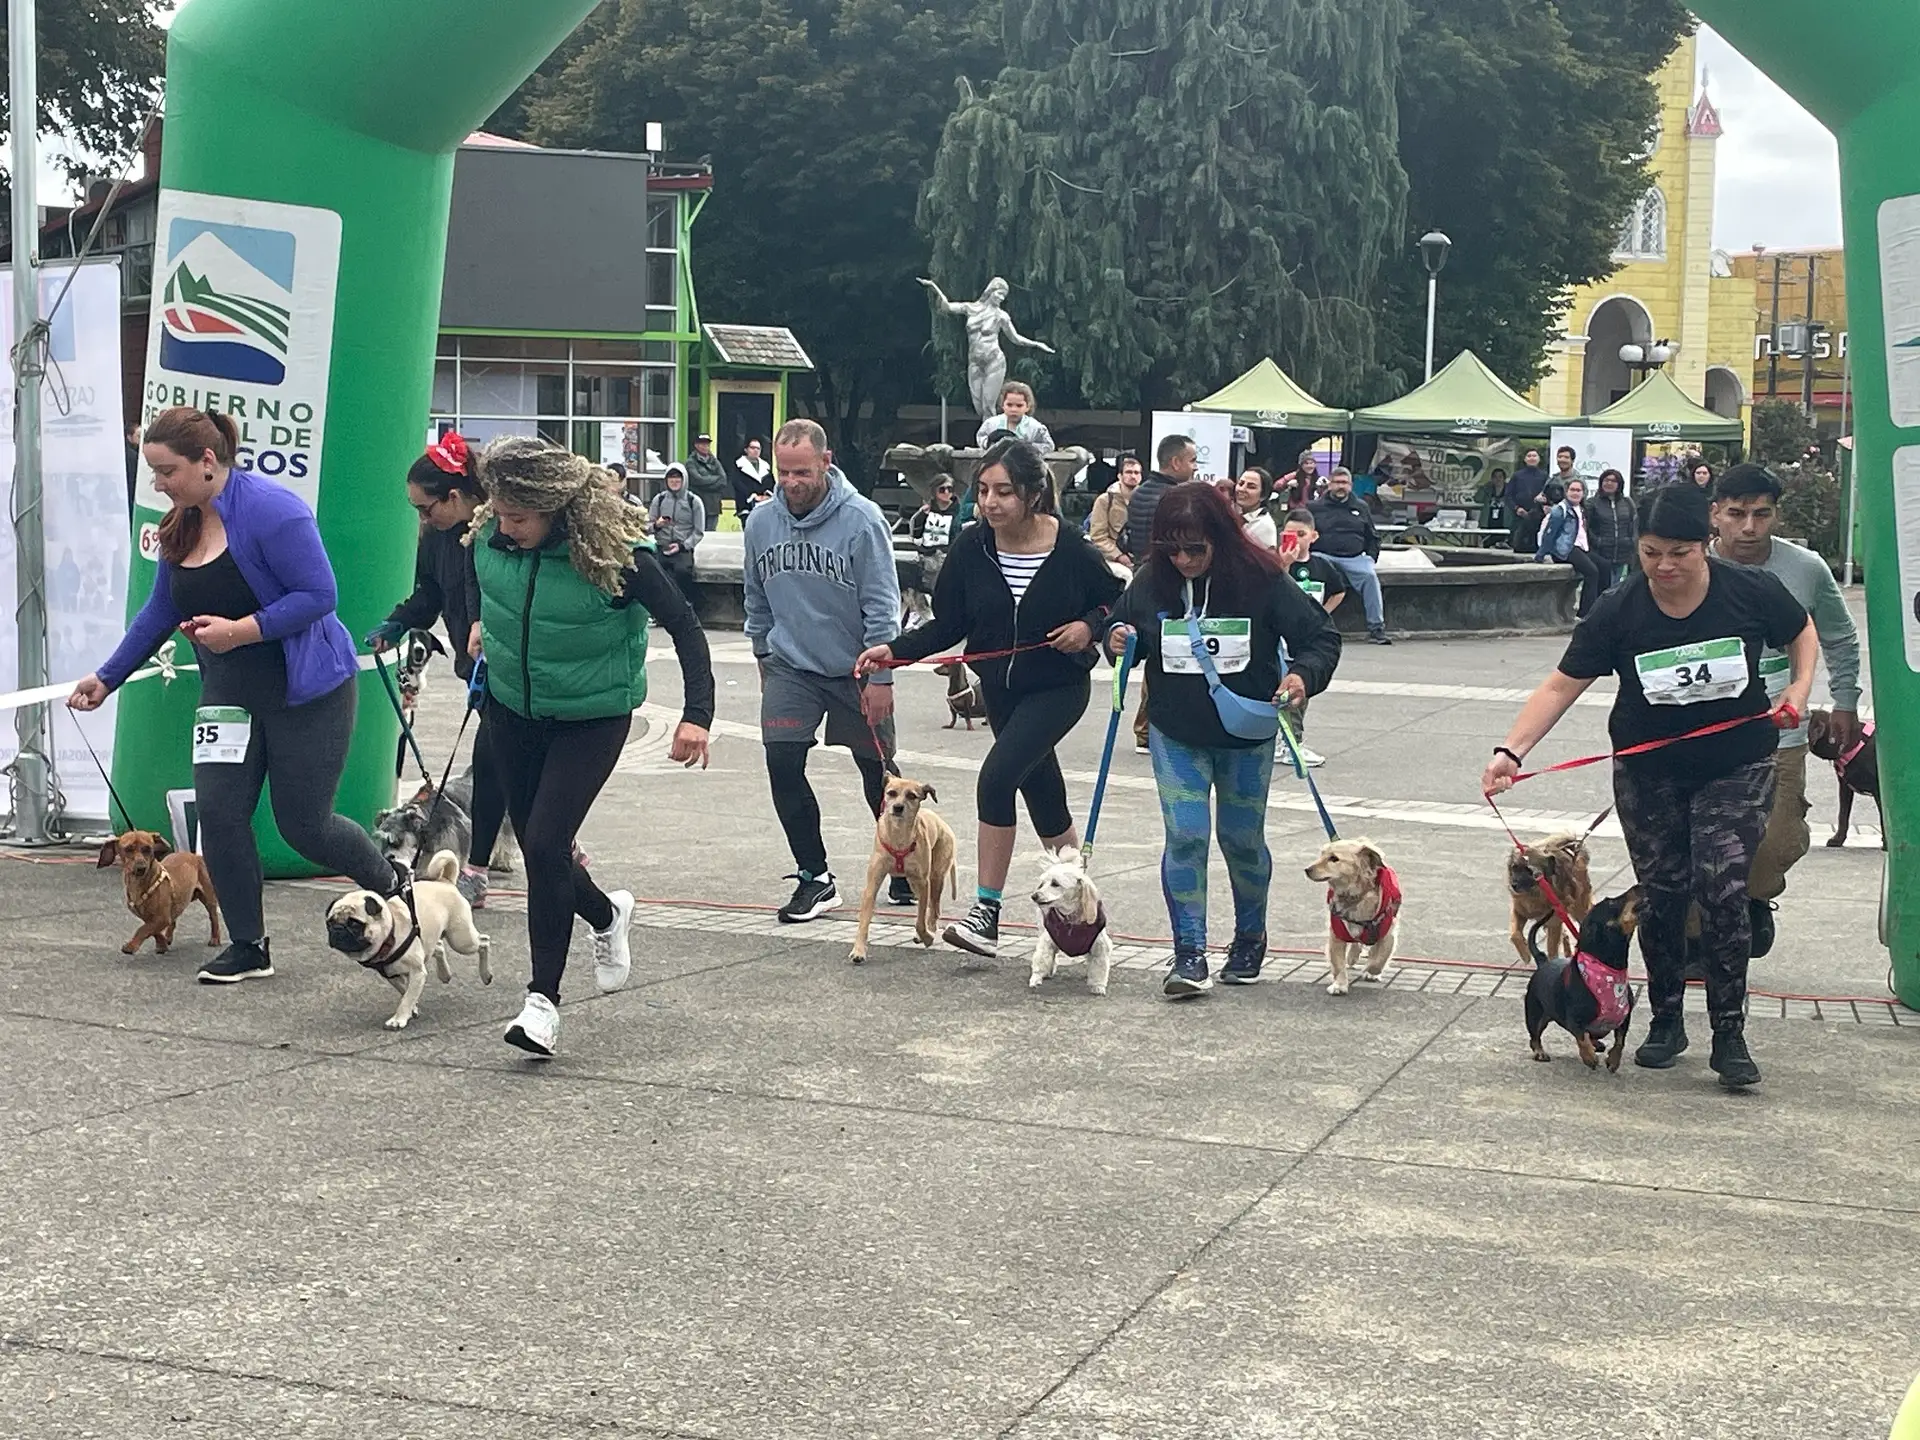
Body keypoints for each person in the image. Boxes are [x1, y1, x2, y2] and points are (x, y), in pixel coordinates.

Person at [1483, 483, 1816, 1089]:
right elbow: (1561, 684)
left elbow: (1802, 632)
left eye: (1680, 553)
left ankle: (1729, 1030)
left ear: (1705, 545)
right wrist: (1511, 751)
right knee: (1660, 895)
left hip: (1735, 765)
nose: (1664, 566)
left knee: (1720, 887)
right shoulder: (1620, 607)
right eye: (1651, 551)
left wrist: (1798, 691)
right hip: (1649, 771)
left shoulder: (1749, 591)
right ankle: (1665, 1019)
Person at [70, 406, 413, 984]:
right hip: (229, 693)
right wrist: (107, 677)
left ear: (208, 462)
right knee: (222, 815)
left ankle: (394, 886)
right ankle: (250, 946)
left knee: (305, 825)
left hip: (306, 689)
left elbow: (319, 594)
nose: (157, 484)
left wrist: (241, 629)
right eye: (153, 473)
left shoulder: (274, 512)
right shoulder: (181, 519)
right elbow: (161, 609)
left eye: (166, 471)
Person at [467, 437, 714, 1058]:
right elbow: (474, 588)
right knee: (539, 850)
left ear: (556, 510)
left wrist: (697, 716)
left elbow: (686, 625)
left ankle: (541, 1004)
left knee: (547, 842)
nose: (506, 526)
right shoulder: (487, 540)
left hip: (592, 716)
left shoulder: (616, 558)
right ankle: (606, 914)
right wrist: (475, 625)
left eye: (519, 518)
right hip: (511, 711)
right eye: (499, 513)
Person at [858, 437, 1122, 958]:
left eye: (1003, 491)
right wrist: (893, 650)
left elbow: (1117, 598)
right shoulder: (972, 546)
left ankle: (986, 912)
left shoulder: (1068, 546)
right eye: (982, 491)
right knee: (1046, 801)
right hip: (1000, 690)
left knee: (997, 778)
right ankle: (1084, 915)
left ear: (1031, 493)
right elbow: (949, 624)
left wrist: (1088, 627)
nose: (990, 502)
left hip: (1058, 687)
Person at [1105, 484, 1341, 997]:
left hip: (1246, 734)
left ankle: (1250, 937)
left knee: (1241, 840)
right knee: (1187, 836)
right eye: (1173, 549)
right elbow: (1123, 624)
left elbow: (1320, 637)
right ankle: (1188, 954)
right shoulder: (1153, 580)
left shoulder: (1261, 578)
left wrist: (1302, 676)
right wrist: (1117, 637)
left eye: (1197, 548)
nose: (1185, 559)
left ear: (1220, 538)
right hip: (1177, 733)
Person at [745, 418, 907, 921]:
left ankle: (904, 861)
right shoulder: (761, 523)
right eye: (783, 473)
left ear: (826, 463)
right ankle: (815, 876)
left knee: (877, 774)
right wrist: (762, 657)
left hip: (857, 666)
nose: (790, 484)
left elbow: (883, 604)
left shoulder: (863, 520)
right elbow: (756, 598)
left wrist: (882, 677)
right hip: (791, 665)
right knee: (782, 762)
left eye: (802, 473)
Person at [1710, 462, 1862, 958]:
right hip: (1702, 734)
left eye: (1761, 514)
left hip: (1781, 732)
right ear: (1716, 515)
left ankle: (1755, 896)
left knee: (1776, 838)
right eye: (1737, 514)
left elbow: (1839, 637)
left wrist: (1844, 703)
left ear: (1776, 515)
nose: (1749, 527)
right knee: (1700, 846)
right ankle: (1701, 940)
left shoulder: (1805, 568)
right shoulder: (1689, 565)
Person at [366, 430, 508, 907]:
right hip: (476, 667)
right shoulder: (438, 537)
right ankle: (492, 862)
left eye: (426, 509)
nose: (422, 518)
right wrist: (401, 621)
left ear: (454, 496)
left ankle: (482, 866)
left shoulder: (499, 532)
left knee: (496, 766)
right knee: (498, 766)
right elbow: (431, 593)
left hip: (512, 663)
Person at [1122, 433, 1198, 752]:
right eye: (1192, 461)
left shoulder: (1141, 492)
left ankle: (1146, 727)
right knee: (1165, 652)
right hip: (1163, 578)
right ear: (1175, 462)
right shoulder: (1173, 498)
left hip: (1144, 570)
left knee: (1158, 650)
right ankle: (1146, 727)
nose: (1195, 468)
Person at [1277, 507, 1348, 768]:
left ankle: (1290, 740)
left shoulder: (1322, 566)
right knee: (1286, 691)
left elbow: (1339, 591)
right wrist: (1284, 564)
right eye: (1289, 534)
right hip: (1282, 640)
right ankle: (1287, 742)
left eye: (1301, 534)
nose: (1296, 539)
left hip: (1307, 638)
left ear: (1313, 536)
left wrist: (1323, 616)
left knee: (1300, 690)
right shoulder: (1277, 564)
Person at [1309, 467, 1390, 645]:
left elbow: (1373, 537)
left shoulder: (1361, 507)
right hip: (1323, 556)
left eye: (1344, 483)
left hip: (1355, 558)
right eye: (1337, 482)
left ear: (1351, 486)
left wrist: (1370, 558)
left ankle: (1377, 628)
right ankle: (1309, 623)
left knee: (1370, 577)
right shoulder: (1314, 508)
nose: (1340, 486)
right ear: (1329, 485)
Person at [1534, 477, 1604, 617]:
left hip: (1581, 548)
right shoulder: (1560, 510)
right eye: (1572, 490)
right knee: (1592, 572)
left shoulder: (1582, 509)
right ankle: (1585, 613)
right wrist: (1541, 554)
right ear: (1566, 492)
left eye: (1579, 490)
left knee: (1605, 566)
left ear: (1583, 493)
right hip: (1565, 549)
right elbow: (1550, 533)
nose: (1575, 493)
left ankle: (1601, 608)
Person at [647, 462, 706, 610]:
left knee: (682, 572)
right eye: (671, 478)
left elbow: (699, 531)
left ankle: (687, 605)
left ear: (684, 480)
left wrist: (682, 545)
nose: (674, 482)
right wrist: (656, 526)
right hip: (662, 546)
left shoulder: (694, 502)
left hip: (683, 548)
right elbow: (646, 526)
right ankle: (659, 609)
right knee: (656, 573)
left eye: (678, 478)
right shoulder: (658, 500)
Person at [906, 476, 960, 625]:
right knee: (918, 586)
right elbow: (915, 533)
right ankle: (919, 614)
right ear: (935, 491)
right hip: (926, 555)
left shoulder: (958, 511)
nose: (946, 493)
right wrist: (923, 515)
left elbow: (959, 533)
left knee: (943, 588)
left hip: (947, 555)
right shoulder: (925, 511)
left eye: (950, 489)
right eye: (942, 489)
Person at [1585, 468, 1637, 595]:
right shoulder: (1592, 503)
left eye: (1613, 481)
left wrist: (1631, 542)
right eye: (1606, 480)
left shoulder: (1627, 502)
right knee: (1603, 590)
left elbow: (1633, 524)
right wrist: (1597, 541)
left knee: (1617, 590)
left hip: (1622, 553)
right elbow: (1586, 526)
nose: (1609, 483)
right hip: (1601, 553)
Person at [1087, 453, 1142, 568]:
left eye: (1136, 473)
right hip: (1112, 559)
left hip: (1140, 558)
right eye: (1128, 472)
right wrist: (1118, 556)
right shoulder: (1105, 500)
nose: (1133, 476)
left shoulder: (1146, 499)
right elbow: (1098, 536)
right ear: (1119, 476)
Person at [973, 379, 1055, 451]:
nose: (1013, 409)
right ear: (1003, 405)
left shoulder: (1036, 428)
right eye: (1009, 405)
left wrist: (1027, 448)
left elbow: (1048, 445)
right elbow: (981, 437)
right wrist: (990, 444)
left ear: (1027, 406)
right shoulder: (991, 424)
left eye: (1019, 406)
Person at [1504, 448, 1551, 554]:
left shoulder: (1544, 476)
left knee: (1536, 545)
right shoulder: (1517, 476)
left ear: (1539, 459)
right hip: (1519, 517)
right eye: (1529, 456)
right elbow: (1508, 495)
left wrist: (1544, 502)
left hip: (1538, 518)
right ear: (1525, 459)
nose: (1532, 458)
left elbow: (1549, 495)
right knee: (1518, 545)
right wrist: (1516, 508)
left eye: (1534, 456)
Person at [684, 433, 728, 531]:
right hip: (698, 504)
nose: (705, 446)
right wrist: (715, 479)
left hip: (714, 506)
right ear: (696, 445)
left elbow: (723, 480)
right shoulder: (690, 462)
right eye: (702, 444)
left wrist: (707, 481)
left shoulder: (715, 461)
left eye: (707, 444)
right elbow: (697, 480)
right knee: (697, 532)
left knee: (711, 535)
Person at [1235, 467, 1279, 550]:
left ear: (1263, 495)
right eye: (1241, 484)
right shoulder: (1233, 515)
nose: (1242, 489)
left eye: (1251, 487)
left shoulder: (1264, 525)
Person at [733, 437, 773, 521]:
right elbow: (737, 484)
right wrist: (753, 496)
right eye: (752, 448)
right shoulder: (738, 465)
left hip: (764, 506)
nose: (756, 450)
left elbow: (771, 483)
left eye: (758, 448)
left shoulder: (766, 466)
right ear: (746, 449)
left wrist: (766, 495)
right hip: (746, 506)